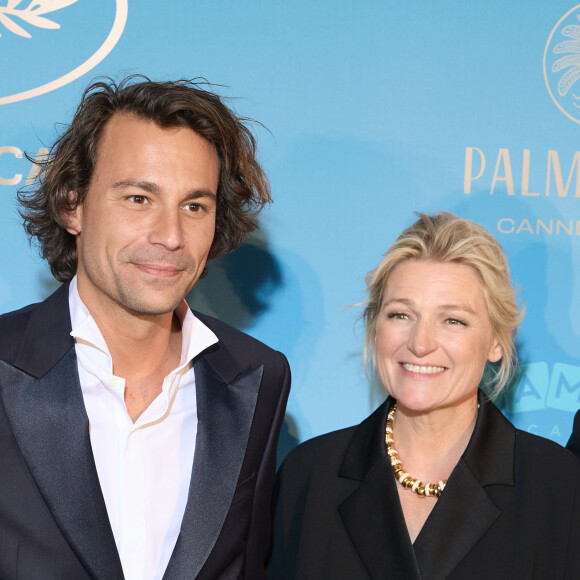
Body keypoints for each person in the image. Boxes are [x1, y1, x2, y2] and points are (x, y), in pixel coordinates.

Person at [0, 76, 290, 580]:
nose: (171, 236)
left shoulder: (257, 378)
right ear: (73, 204)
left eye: (194, 206)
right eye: (138, 198)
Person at [268, 212, 580, 579]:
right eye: (401, 315)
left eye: (453, 320)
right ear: (374, 327)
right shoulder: (308, 477)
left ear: (497, 341)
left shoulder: (559, 487)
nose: (419, 343)